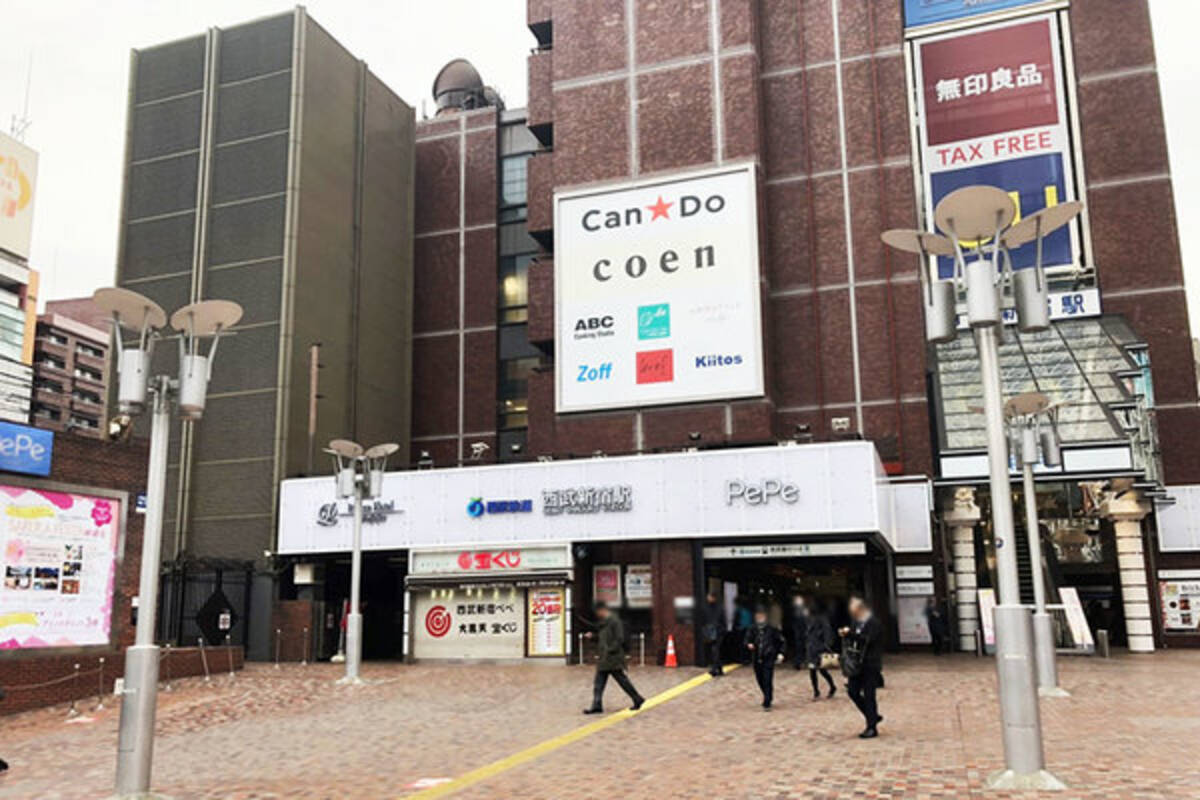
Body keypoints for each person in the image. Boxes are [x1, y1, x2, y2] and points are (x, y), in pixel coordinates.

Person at [582, 601, 645, 714]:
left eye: (598, 612)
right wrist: (593, 637)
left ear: (602, 610)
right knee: (599, 683)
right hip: (605, 657)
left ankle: (637, 698)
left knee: (621, 680)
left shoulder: (614, 621)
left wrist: (610, 650)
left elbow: (619, 638)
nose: (597, 615)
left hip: (613, 658)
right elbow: (603, 638)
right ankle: (597, 704)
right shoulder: (605, 623)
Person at [839, 595, 884, 738]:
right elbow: (853, 639)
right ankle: (872, 716)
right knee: (852, 691)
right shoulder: (855, 622)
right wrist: (846, 635)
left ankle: (871, 727)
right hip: (857, 664)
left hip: (870, 663)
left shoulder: (874, 623)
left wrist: (850, 634)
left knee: (870, 694)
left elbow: (867, 640)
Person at [743, 606, 785, 710]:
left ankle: (767, 700)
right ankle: (766, 694)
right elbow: (747, 639)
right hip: (757, 656)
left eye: (761, 615)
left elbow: (781, 641)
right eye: (758, 616)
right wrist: (749, 644)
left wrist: (781, 653)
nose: (759, 617)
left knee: (768, 678)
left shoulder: (772, 628)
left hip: (768, 656)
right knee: (760, 678)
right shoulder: (752, 628)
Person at [803, 598, 837, 700]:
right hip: (811, 647)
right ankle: (816, 691)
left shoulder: (822, 618)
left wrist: (827, 645)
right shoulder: (808, 619)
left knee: (822, 670)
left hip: (819, 647)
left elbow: (827, 632)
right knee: (812, 671)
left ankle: (832, 686)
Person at [701, 592, 726, 677]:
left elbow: (723, 620)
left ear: (714, 598)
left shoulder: (719, 608)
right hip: (710, 632)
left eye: (710, 597)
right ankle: (720, 669)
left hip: (718, 632)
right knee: (714, 651)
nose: (708, 598)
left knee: (715, 650)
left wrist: (722, 630)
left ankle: (714, 669)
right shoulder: (705, 608)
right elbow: (703, 620)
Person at [790, 596, 808, 669]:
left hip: (799, 632)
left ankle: (798, 662)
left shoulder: (795, 610)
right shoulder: (802, 610)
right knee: (801, 648)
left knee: (799, 649)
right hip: (801, 632)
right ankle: (799, 662)